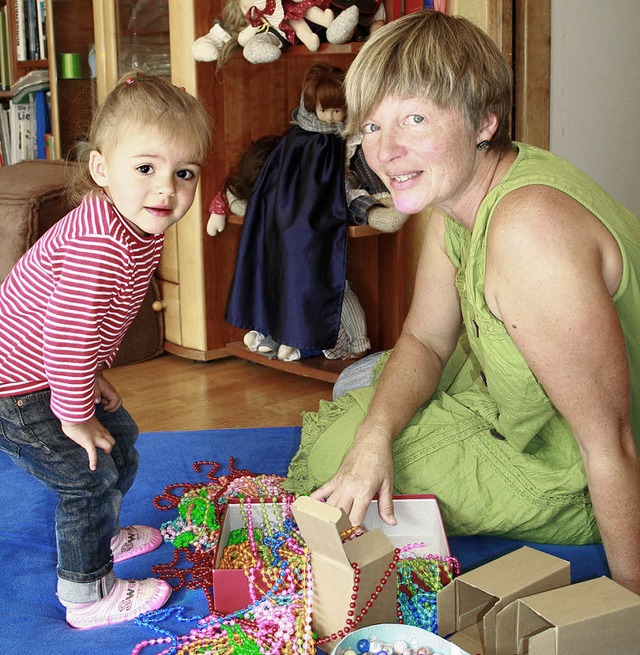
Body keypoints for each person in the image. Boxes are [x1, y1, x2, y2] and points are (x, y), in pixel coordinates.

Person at [284, 10, 640, 596]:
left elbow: (612, 440)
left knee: (332, 455)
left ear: (483, 123)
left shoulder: (530, 233)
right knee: (361, 400)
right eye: (371, 126)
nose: (386, 151)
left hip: (571, 461)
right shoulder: (460, 193)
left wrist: (627, 603)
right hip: (507, 406)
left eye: (415, 119)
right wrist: (377, 435)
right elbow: (425, 339)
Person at [0, 72, 211, 628]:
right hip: (19, 389)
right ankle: (88, 596)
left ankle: (103, 536)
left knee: (121, 439)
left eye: (183, 172)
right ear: (101, 170)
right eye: (146, 168)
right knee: (86, 474)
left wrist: (92, 379)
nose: (166, 189)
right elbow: (67, 333)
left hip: (53, 369)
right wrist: (74, 413)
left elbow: (78, 330)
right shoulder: (100, 245)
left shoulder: (138, 224)